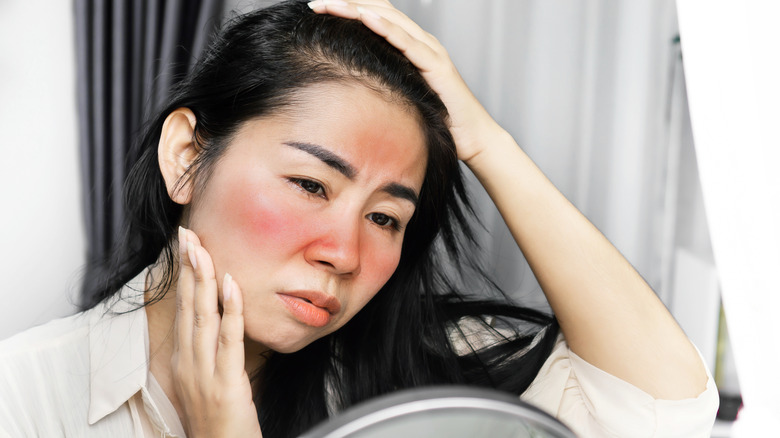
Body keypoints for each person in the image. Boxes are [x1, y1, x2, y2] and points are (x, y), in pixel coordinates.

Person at [0, 0, 719, 437]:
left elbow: (660, 408)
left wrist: (487, 144)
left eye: (385, 219)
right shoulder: (24, 400)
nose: (344, 252)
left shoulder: (412, 377)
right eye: (311, 185)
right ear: (187, 156)